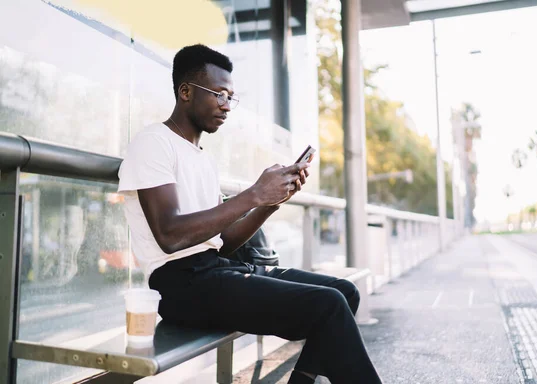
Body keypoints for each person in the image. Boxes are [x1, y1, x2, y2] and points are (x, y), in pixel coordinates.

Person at [117, 43, 382, 384]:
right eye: (219, 94)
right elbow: (170, 236)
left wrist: (269, 203)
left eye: (231, 97)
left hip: (216, 270)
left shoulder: (202, 158)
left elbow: (222, 243)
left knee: (344, 292)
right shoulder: (153, 142)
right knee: (328, 305)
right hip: (178, 285)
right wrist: (253, 193)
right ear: (185, 92)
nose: (227, 106)